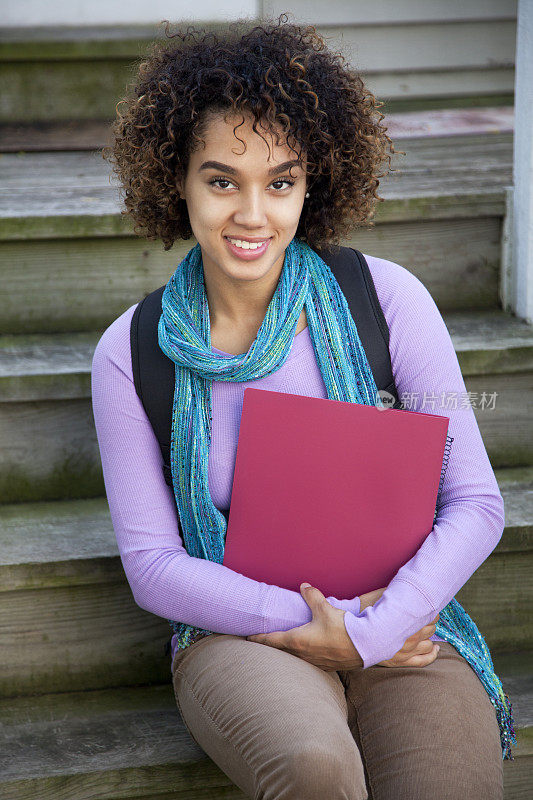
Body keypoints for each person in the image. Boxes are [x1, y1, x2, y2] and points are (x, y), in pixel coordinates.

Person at [92, 14, 512, 799]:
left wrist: (367, 633)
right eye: (222, 180)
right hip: (239, 630)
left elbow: (476, 502)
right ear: (175, 179)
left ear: (311, 182)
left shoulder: (388, 301)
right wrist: (307, 625)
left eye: (279, 182)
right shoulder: (133, 349)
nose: (253, 214)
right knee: (314, 769)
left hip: (402, 623)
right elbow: (153, 566)